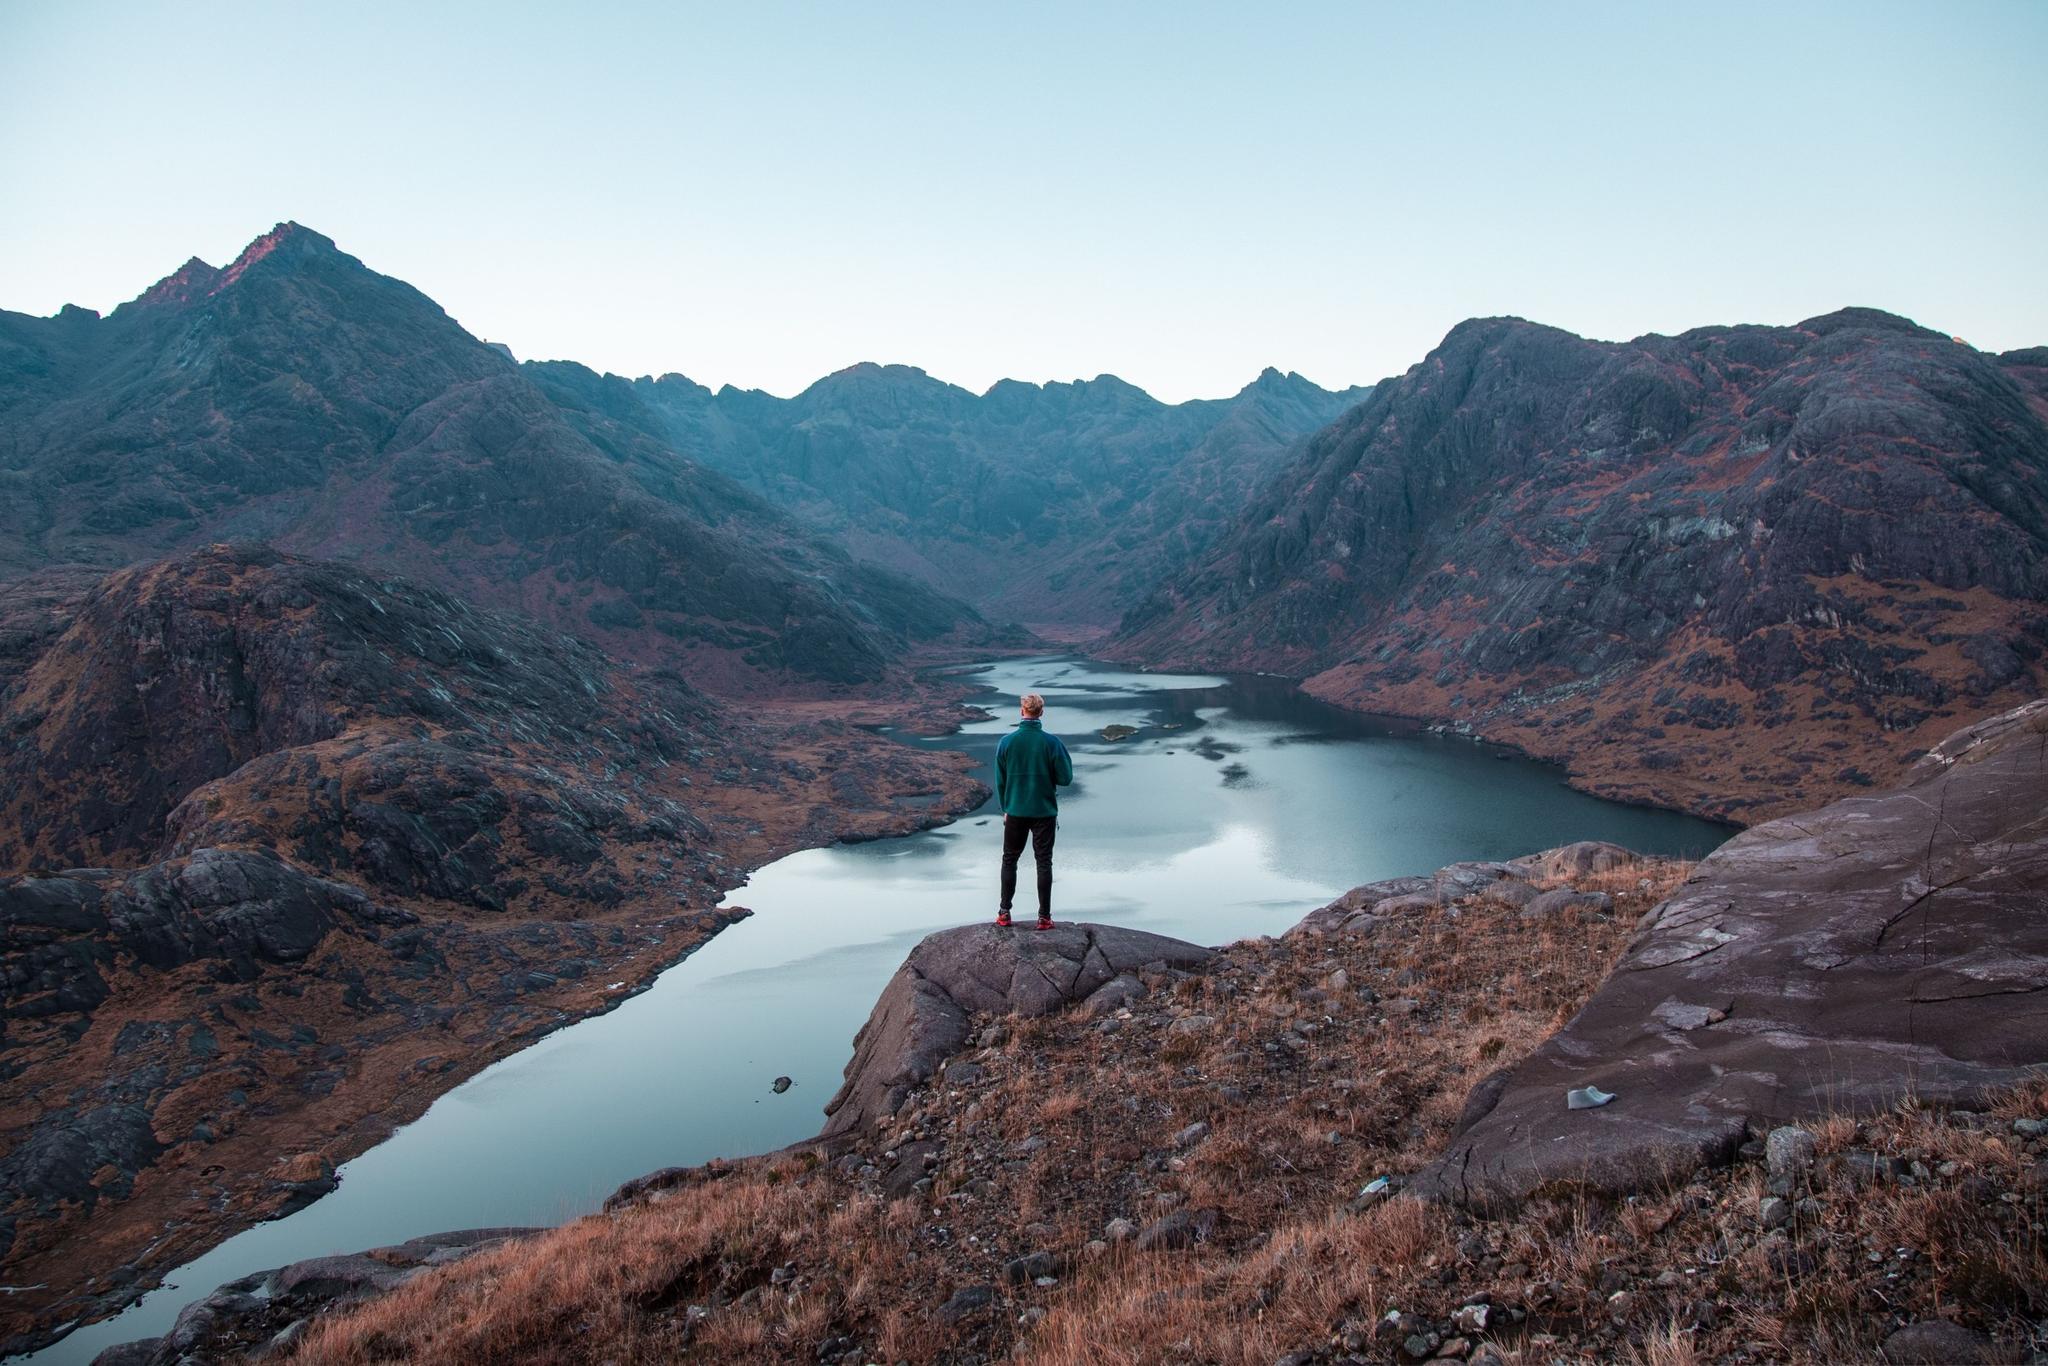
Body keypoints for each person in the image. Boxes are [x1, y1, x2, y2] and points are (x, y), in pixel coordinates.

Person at [994, 691, 1073, 929]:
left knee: (1009, 860)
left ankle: (1004, 913)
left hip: (1016, 810)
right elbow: (1066, 778)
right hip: (1044, 812)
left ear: (1022, 712)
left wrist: (1006, 808)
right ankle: (1044, 918)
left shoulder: (1006, 742)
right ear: (1041, 712)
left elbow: (1001, 781)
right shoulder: (1052, 743)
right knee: (1044, 862)